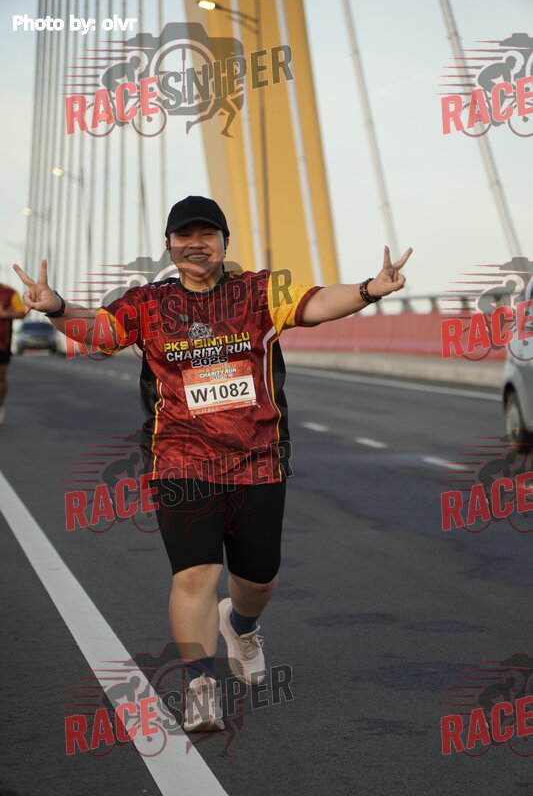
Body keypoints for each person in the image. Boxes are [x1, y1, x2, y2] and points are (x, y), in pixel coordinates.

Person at [13, 195, 411, 732]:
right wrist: (57, 306)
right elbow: (102, 332)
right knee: (195, 576)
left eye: (207, 234)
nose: (196, 244)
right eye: (185, 235)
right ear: (169, 245)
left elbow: (317, 302)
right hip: (180, 458)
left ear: (225, 242)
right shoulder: (147, 303)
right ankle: (201, 685)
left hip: (257, 458)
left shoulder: (260, 291)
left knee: (258, 577)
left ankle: (241, 626)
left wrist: (368, 290)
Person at [0, 283, 26, 424]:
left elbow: (22, 312)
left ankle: (0, 405)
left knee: (1, 378)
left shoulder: (9, 293)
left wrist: (5, 314)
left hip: (2, 344)